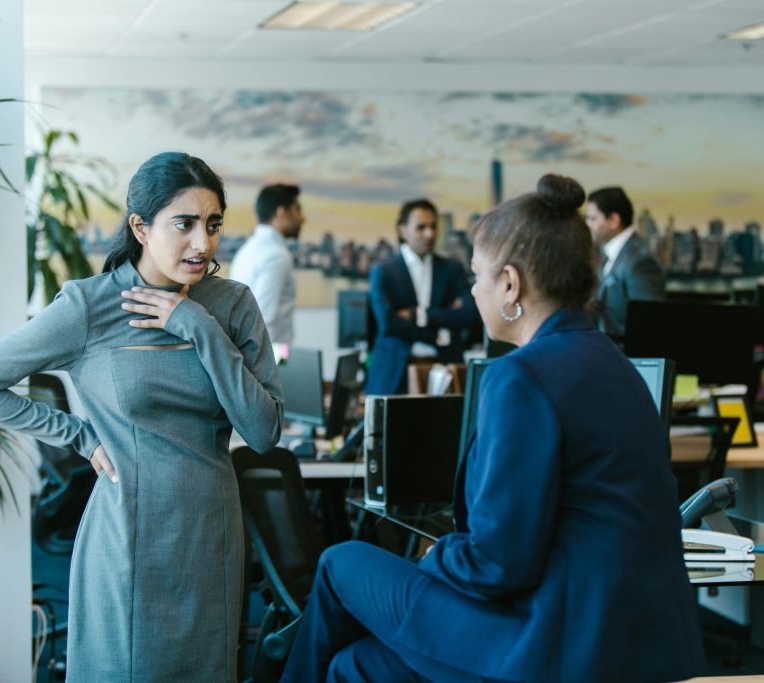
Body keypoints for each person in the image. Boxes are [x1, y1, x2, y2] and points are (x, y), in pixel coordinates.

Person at [280, 175, 705, 683]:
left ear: (510, 284)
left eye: (476, 275)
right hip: (636, 640)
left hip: (554, 642)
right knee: (353, 666)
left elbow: (500, 563)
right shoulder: (619, 366)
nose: (472, 290)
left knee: (341, 561)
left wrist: (438, 556)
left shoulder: (520, 376)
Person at [0, 152, 284, 682]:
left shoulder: (232, 305)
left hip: (212, 530)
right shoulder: (89, 306)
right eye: (184, 224)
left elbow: (263, 433)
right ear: (140, 227)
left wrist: (197, 326)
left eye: (213, 224)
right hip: (129, 530)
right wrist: (79, 435)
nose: (203, 243)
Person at [365, 198, 478, 395]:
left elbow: (468, 315)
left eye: (433, 227)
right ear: (402, 231)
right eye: (421, 227)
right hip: (394, 373)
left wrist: (419, 315)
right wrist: (437, 335)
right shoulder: (383, 272)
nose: (429, 234)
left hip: (446, 369)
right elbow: (388, 324)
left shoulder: (452, 269)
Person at [585, 186, 666, 340]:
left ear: (614, 220)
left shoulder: (640, 261)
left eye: (593, 219)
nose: (587, 224)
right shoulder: (609, 253)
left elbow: (648, 325)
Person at [229, 183, 304, 345]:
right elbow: (264, 318)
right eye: (297, 210)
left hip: (246, 351)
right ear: (281, 213)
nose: (302, 218)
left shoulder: (247, 250)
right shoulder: (277, 256)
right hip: (270, 356)